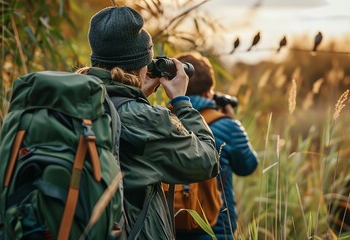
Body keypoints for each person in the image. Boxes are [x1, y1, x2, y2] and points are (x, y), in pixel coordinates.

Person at [77, 7, 219, 239]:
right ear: (142, 63)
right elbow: (207, 160)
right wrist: (182, 102)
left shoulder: (76, 98)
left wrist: (133, 96)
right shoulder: (142, 118)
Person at [175, 52, 258, 240]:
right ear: (208, 92)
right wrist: (233, 121)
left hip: (168, 229)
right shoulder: (227, 126)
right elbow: (248, 166)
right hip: (215, 232)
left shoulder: (161, 120)